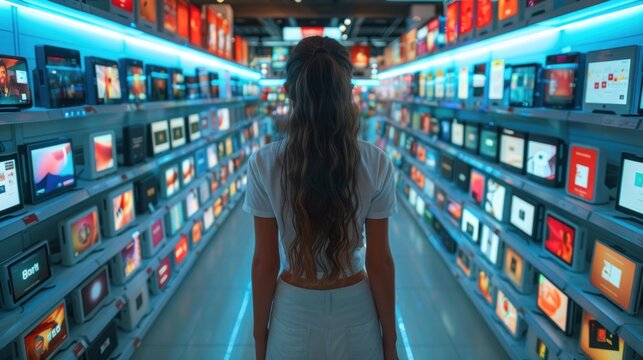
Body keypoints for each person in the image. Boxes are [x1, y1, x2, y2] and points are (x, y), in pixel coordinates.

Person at [243, 36, 398, 360]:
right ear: (349, 91)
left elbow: (265, 263)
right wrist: (390, 343)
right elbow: (380, 262)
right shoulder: (376, 162)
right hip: (357, 310)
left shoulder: (263, 163)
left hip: (293, 311)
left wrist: (260, 342)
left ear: (287, 92)